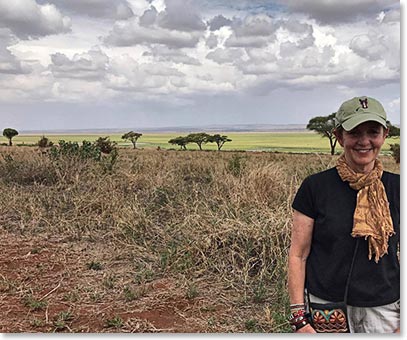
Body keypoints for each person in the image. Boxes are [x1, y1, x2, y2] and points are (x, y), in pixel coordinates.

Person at [287, 96, 400, 333]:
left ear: (385, 134)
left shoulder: (399, 187)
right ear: (339, 137)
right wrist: (299, 318)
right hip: (327, 307)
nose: (364, 141)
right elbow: (299, 254)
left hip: (385, 309)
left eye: (373, 131)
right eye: (355, 133)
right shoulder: (315, 187)